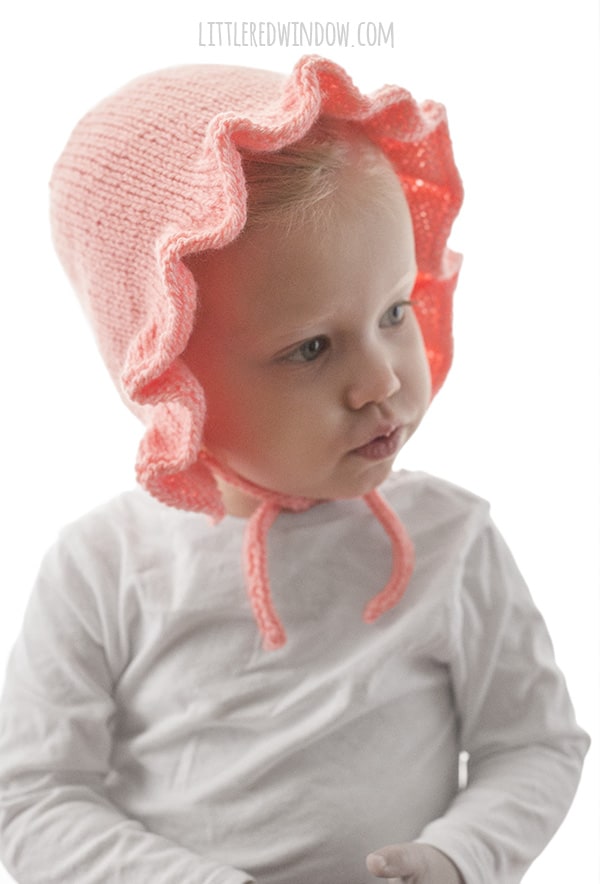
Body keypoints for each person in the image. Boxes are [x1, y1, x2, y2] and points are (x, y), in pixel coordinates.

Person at [0, 55, 589, 884]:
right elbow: (32, 797)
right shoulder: (101, 567)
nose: (382, 379)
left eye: (393, 312)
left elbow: (534, 743)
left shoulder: (451, 540)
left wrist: (457, 858)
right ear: (173, 377)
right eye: (311, 347)